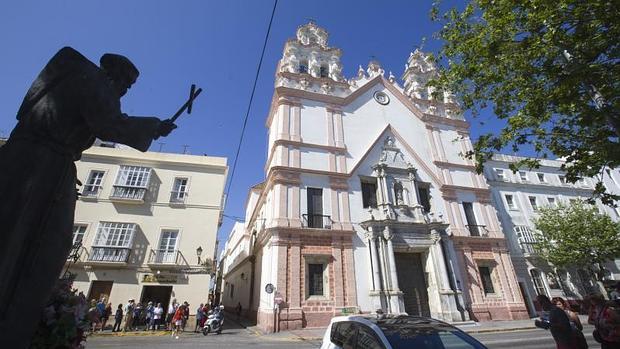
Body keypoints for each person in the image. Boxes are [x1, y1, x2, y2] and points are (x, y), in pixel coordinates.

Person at [0, 47, 177, 347]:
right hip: (41, 165)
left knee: (38, 242)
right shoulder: (92, 81)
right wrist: (154, 127)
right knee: (36, 244)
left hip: (41, 163)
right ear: (113, 74)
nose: (123, 91)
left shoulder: (80, 79)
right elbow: (109, 123)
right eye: (125, 84)